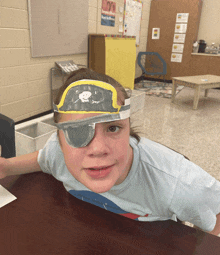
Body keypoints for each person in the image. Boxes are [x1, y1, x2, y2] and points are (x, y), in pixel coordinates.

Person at [0, 68, 220, 236]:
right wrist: (6, 166)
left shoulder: (178, 184)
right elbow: (42, 159)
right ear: (59, 138)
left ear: (128, 129)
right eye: (77, 131)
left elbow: (216, 215)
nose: (98, 149)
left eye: (113, 128)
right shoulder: (57, 152)